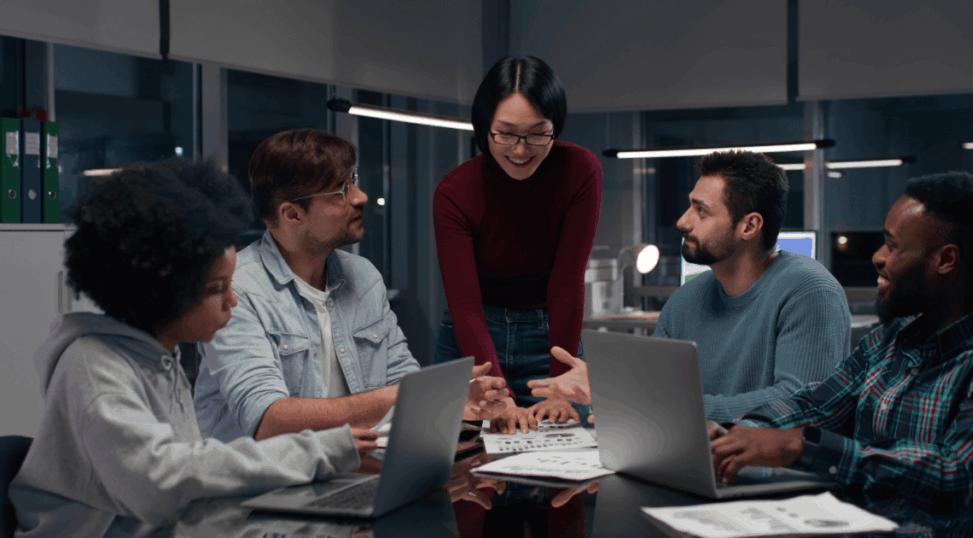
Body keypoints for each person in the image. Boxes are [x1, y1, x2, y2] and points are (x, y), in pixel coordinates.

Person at [9, 160, 379, 537]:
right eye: (216, 289)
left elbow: (187, 482)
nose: (232, 302)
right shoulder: (93, 366)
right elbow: (161, 484)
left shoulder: (159, 355)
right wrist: (315, 450)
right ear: (161, 289)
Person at [709, 172, 973, 536]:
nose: (878, 256)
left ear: (946, 260)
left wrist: (804, 447)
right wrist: (735, 435)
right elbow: (814, 406)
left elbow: (955, 477)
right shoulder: (887, 342)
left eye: (893, 245)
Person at [193, 129, 506, 443]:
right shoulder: (238, 290)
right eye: (339, 191)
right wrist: (399, 398)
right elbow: (267, 419)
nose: (360, 197)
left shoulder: (363, 275)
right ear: (292, 214)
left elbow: (403, 378)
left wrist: (455, 401)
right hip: (263, 488)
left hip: (355, 471)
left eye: (352, 181)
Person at [531, 151, 851, 424]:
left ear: (749, 226)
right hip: (695, 463)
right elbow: (650, 394)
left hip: (781, 482)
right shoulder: (688, 299)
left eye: (701, 211)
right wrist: (580, 399)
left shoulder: (810, 291)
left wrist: (646, 406)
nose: (683, 222)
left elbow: (799, 406)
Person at [433, 56, 602, 434]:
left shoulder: (580, 169)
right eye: (506, 133)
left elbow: (567, 282)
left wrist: (560, 386)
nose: (521, 150)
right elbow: (465, 304)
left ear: (555, 127)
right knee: (462, 462)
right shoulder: (454, 191)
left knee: (564, 453)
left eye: (538, 133)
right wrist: (498, 393)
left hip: (551, 335)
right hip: (474, 335)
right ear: (483, 127)